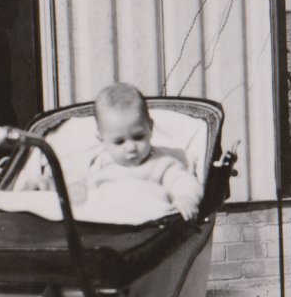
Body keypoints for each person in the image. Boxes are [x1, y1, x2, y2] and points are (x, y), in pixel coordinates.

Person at [34, 84, 203, 222]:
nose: (130, 148)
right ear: (102, 140)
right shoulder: (97, 160)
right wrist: (73, 185)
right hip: (104, 223)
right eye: (119, 142)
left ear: (150, 129)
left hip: (144, 223)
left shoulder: (161, 163)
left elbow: (185, 182)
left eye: (138, 137)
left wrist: (185, 198)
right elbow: (71, 172)